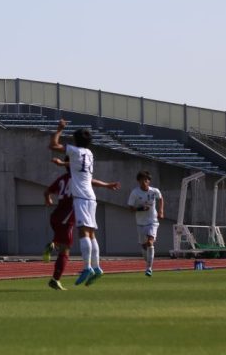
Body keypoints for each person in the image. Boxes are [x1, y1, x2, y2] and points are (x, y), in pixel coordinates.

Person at [49, 119, 120, 287]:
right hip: (91, 197)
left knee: (83, 232)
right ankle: (97, 267)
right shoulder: (90, 154)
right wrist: (63, 163)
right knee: (92, 234)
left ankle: (87, 267)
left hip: (80, 197)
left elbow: (53, 145)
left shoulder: (73, 151)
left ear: (75, 140)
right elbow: (78, 168)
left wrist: (59, 129)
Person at [43, 156, 75, 291]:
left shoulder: (62, 178)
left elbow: (46, 191)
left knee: (60, 243)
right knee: (65, 250)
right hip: (66, 218)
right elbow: (92, 182)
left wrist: (48, 199)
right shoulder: (80, 178)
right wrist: (107, 185)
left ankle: (53, 244)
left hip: (55, 216)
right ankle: (55, 280)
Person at [127, 170, 164, 277]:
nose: (144, 182)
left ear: (149, 181)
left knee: (150, 242)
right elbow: (130, 208)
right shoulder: (135, 192)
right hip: (140, 223)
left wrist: (161, 211)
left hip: (152, 221)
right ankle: (148, 261)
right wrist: (140, 208)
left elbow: (161, 198)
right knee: (144, 246)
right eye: (142, 180)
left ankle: (149, 268)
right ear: (138, 181)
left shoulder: (154, 191)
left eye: (146, 180)